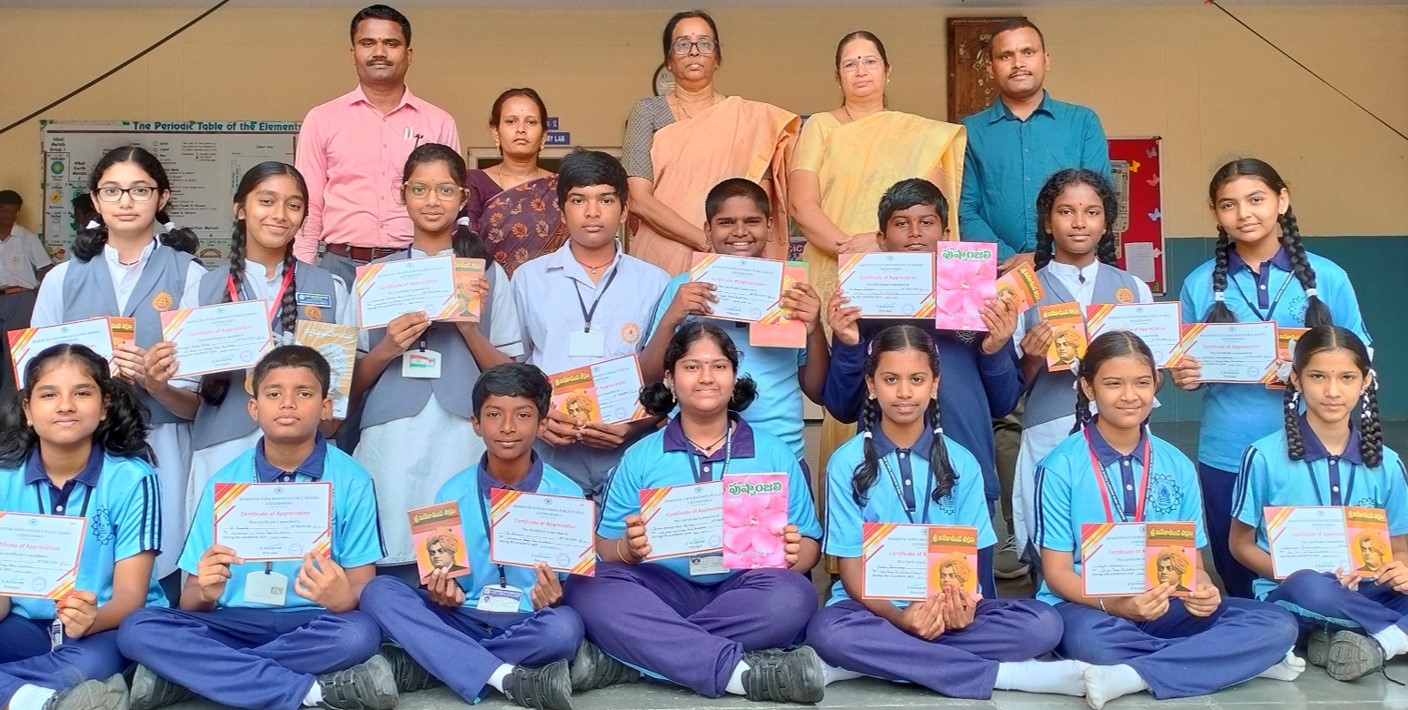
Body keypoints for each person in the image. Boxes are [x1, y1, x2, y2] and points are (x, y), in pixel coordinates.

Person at [806, 325, 1089, 701]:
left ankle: (872, 662)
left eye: (917, 379)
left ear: (935, 385)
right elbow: (851, 569)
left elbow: (972, 561)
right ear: (871, 386)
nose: (904, 392)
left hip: (947, 606)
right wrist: (902, 617)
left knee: (1043, 624)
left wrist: (961, 608)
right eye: (890, 379)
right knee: (828, 631)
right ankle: (1003, 675)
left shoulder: (963, 461)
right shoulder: (846, 463)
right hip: (873, 609)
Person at [1034, 331, 1303, 708]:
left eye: (1142, 383)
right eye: (1113, 384)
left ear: (1156, 385)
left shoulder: (1177, 464)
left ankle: (1136, 673)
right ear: (1088, 387)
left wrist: (1203, 591)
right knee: (1096, 644)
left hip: (1165, 602)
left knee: (1277, 623)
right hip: (1090, 607)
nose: (1130, 395)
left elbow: (1193, 566)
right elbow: (1057, 573)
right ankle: (1228, 662)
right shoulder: (1060, 466)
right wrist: (1119, 606)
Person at [117, 346, 394, 710]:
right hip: (233, 623)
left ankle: (198, 677)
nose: (288, 403)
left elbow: (360, 587)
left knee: (359, 635)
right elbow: (191, 599)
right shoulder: (223, 483)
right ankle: (308, 691)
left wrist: (342, 598)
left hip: (312, 621)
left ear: (326, 407)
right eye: (273, 394)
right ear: (254, 408)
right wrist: (206, 591)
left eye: (304, 393)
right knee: (138, 628)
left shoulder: (352, 480)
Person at [565, 322, 827, 703]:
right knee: (586, 585)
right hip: (662, 589)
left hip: (743, 589)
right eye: (692, 367)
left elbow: (809, 547)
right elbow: (604, 547)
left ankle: (634, 657)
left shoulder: (774, 452)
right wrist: (628, 549)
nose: (706, 377)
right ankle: (736, 670)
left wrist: (793, 553)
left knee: (795, 596)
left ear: (734, 378)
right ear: (670, 379)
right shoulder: (641, 456)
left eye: (719, 366)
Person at [1174, 158, 1370, 598]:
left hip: (1312, 447)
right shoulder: (1200, 283)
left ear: (1282, 201)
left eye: (1256, 199)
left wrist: (1310, 366)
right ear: (1214, 212)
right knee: (1237, 569)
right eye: (1229, 204)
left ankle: (1317, 622)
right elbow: (1183, 362)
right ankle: (1257, 626)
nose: (1244, 213)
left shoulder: (1328, 276)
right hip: (1227, 449)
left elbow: (1363, 352)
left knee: (1316, 564)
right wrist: (1185, 376)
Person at [358, 363, 590, 709]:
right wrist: (442, 592)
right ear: (476, 423)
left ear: (542, 424)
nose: (507, 427)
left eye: (523, 415)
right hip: (462, 616)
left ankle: (434, 663)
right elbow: (440, 578)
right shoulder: (450, 492)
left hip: (527, 620)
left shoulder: (568, 496)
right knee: (379, 591)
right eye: (494, 415)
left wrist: (555, 598)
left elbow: (571, 587)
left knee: (564, 628)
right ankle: (502, 674)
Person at [791, 29, 965, 475]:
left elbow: (931, 208)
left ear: (888, 71)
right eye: (850, 63)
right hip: (838, 267)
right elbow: (802, 205)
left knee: (907, 370)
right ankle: (850, 497)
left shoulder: (920, 134)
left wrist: (884, 247)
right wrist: (854, 251)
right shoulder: (819, 127)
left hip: (907, 279)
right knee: (848, 377)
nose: (861, 71)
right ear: (837, 75)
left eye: (870, 61)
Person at [141, 162, 353, 528]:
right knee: (223, 557)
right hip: (222, 453)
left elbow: (334, 408)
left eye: (293, 205)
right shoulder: (203, 289)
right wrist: (158, 387)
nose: (279, 214)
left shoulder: (331, 289)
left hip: (306, 459)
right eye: (266, 201)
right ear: (240, 209)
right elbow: (191, 403)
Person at [31, 146, 205, 590]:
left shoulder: (191, 275)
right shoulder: (61, 278)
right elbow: (35, 377)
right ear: (96, 199)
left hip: (162, 438)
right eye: (112, 190)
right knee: (83, 564)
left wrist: (156, 383)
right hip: (79, 445)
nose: (126, 201)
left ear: (162, 197)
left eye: (140, 190)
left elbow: (198, 402)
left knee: (159, 559)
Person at [825, 179, 1020, 557]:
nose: (915, 233)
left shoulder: (978, 298)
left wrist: (994, 349)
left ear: (945, 235)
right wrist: (849, 343)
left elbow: (1004, 403)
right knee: (888, 580)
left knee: (965, 585)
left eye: (927, 222)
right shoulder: (859, 301)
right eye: (901, 223)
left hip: (966, 468)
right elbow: (841, 407)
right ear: (881, 239)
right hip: (880, 476)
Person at [351, 143, 520, 577]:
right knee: (391, 546)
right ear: (402, 194)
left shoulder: (486, 273)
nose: (432, 201)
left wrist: (468, 327)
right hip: (391, 430)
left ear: (463, 198)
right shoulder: (375, 278)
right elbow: (347, 384)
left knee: (455, 557)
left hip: (461, 428)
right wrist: (388, 347)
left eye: (445, 190)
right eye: (419, 189)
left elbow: (510, 376)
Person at [1230, 326, 1408, 682]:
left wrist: (1399, 569)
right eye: (1317, 376)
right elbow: (1240, 544)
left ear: (1366, 381)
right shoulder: (1262, 456)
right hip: (1294, 593)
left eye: (1347, 378)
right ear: (1296, 379)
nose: (1332, 391)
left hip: (1369, 590)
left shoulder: (1388, 463)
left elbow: (1400, 547)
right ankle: (1393, 637)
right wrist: (1293, 571)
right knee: (1310, 586)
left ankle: (1356, 639)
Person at [0, 344, 165, 710]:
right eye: (48, 395)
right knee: (68, 674)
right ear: (27, 410)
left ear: (104, 406)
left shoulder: (134, 478)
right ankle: (35, 698)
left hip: (105, 625)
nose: (65, 406)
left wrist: (91, 620)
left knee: (82, 669)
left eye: (82, 393)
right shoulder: (4, 478)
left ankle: (23, 694)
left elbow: (130, 598)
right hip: (26, 622)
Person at [1011, 169, 1151, 566]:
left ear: (1106, 223)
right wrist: (1032, 357)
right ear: (1047, 222)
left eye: (1091, 212)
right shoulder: (1024, 290)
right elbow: (1009, 386)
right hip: (1049, 427)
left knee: (1121, 530)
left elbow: (1151, 375)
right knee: (1052, 535)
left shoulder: (1133, 289)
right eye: (1066, 211)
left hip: (1123, 430)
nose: (1079, 222)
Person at [641, 178, 828, 473]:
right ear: (708, 230)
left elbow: (817, 391)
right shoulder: (682, 289)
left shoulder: (793, 293)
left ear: (769, 226)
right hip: (695, 454)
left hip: (780, 453)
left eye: (752, 221)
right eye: (726, 222)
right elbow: (649, 378)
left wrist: (815, 329)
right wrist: (672, 317)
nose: (740, 231)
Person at [511, 149, 669, 495]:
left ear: (625, 210)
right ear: (561, 210)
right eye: (579, 200)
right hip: (550, 452)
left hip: (630, 451)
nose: (592, 212)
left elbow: (667, 375)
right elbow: (515, 368)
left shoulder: (655, 282)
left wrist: (635, 427)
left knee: (626, 531)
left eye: (606, 200)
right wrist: (537, 419)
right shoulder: (528, 279)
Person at [293, 4, 460, 287]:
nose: (379, 52)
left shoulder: (439, 122)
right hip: (339, 266)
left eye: (391, 44)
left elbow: (449, 204)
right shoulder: (322, 119)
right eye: (368, 43)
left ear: (408, 54)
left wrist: (444, 266)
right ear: (353, 53)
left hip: (415, 264)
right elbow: (309, 204)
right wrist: (304, 271)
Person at [623, 10, 799, 276]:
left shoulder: (749, 120)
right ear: (669, 60)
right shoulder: (647, 112)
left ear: (717, 58)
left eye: (704, 43)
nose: (694, 51)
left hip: (734, 256)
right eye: (683, 44)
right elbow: (638, 198)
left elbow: (756, 200)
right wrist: (705, 242)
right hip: (662, 255)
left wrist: (724, 244)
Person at [958, 19, 1110, 272]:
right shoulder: (969, 131)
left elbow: (1098, 200)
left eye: (1028, 52)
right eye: (1006, 55)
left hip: (1070, 268)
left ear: (1046, 60)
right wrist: (1008, 259)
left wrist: (1048, 256)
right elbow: (964, 209)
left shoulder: (1082, 122)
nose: (1018, 63)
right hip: (996, 272)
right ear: (990, 68)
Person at [467, 88, 566, 276]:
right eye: (511, 121)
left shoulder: (562, 187)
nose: (521, 129)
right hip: (488, 286)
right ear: (495, 132)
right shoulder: (474, 182)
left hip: (548, 287)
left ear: (544, 135)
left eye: (531, 122)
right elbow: (465, 245)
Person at [0, 190, 54, 401]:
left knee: (14, 354)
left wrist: (37, 295)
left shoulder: (26, 238)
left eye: (13, 212)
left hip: (20, 299)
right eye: (4, 210)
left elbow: (46, 268)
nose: (8, 216)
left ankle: (9, 407)